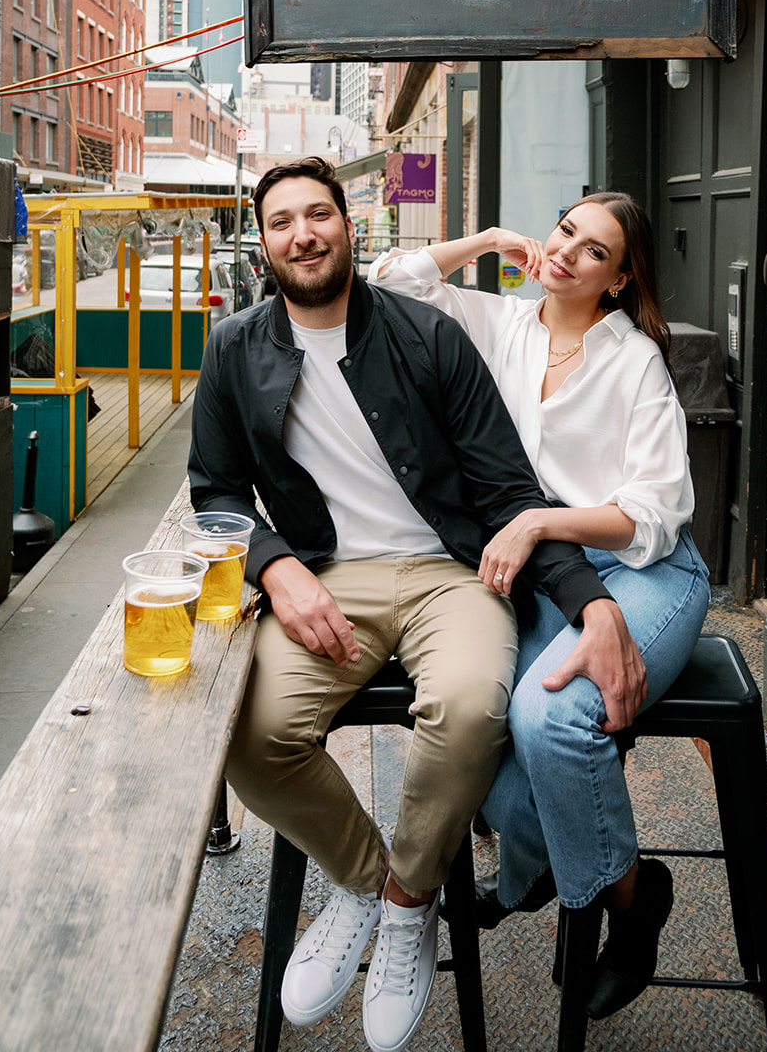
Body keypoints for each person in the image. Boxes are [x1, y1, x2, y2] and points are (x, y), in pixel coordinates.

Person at [188, 158, 638, 1052]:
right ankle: (370, 882)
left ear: (349, 227)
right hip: (326, 577)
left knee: (471, 708)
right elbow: (215, 492)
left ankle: (404, 907)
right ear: (264, 242)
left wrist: (589, 603)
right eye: (282, 222)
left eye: (319, 215)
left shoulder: (429, 336)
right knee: (246, 735)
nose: (303, 234)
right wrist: (273, 566)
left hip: (448, 573)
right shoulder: (234, 346)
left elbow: (508, 489)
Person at [371, 193, 710, 1020]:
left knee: (548, 718)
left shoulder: (633, 362)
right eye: (564, 232)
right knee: (488, 717)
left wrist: (535, 518)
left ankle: (628, 906)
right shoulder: (498, 325)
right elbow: (389, 282)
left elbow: (656, 511)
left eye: (594, 251)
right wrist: (489, 238)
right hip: (547, 571)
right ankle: (539, 875)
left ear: (619, 278)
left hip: (645, 568)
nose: (567, 253)